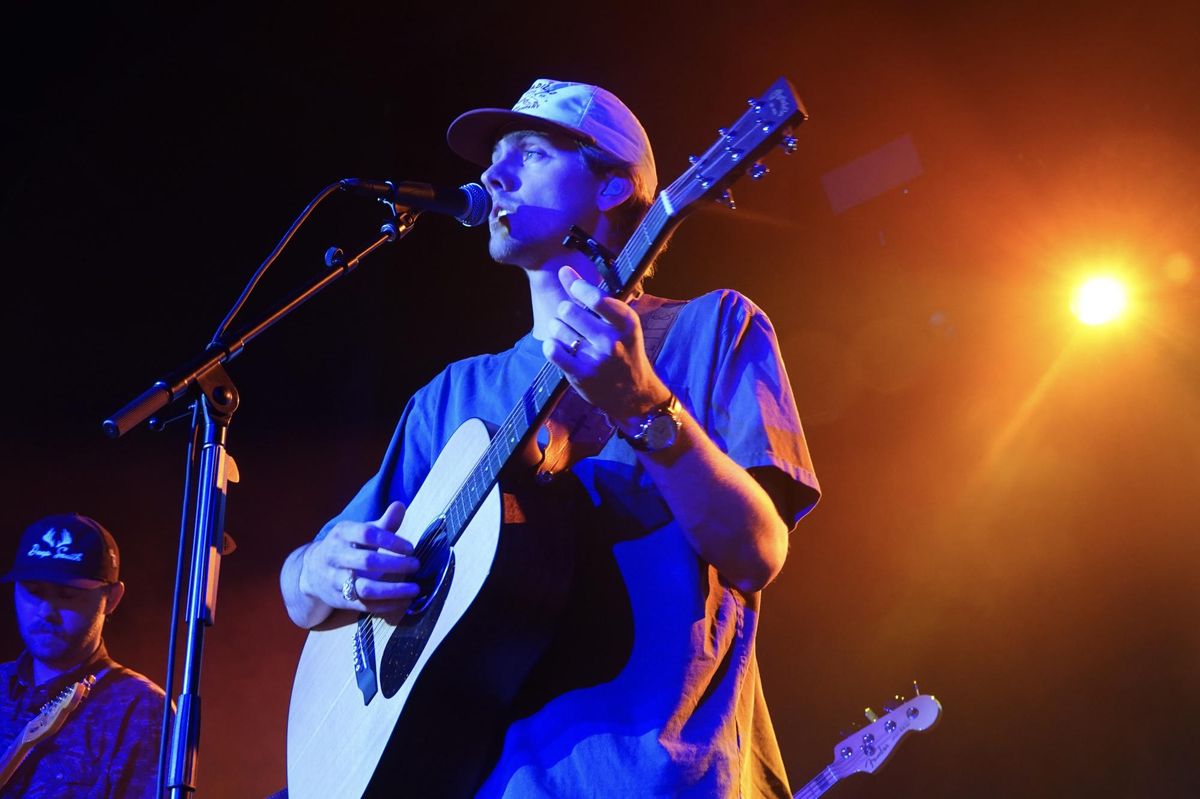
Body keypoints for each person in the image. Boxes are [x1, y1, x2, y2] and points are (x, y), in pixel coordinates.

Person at [280, 78, 820, 797]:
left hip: (662, 778)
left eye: (528, 152)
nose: (492, 175)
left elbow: (757, 552)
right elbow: (301, 595)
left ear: (613, 184)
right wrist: (327, 568)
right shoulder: (452, 395)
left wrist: (644, 405)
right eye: (494, 158)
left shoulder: (714, 328)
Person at [0, 513, 166, 798]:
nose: (45, 612)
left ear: (111, 599)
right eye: (33, 591)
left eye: (67, 595)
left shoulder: (142, 709)